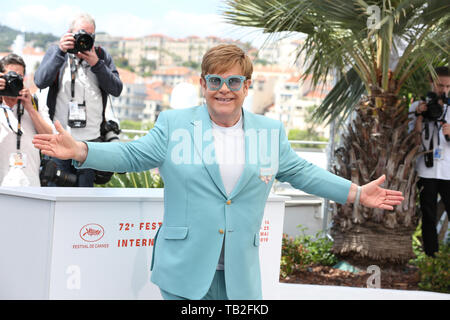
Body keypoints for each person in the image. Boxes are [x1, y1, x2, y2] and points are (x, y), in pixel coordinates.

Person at [33, 44, 404, 300]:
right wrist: (80, 149)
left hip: (240, 273)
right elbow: (132, 155)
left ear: (247, 86)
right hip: (184, 268)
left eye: (233, 81)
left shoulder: (270, 132)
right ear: (203, 84)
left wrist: (356, 193)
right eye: (215, 80)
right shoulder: (175, 124)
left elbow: (303, 172)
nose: (223, 89)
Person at [34, 12, 123, 187]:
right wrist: (61, 51)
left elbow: (116, 89)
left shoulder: (101, 56)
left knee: (84, 200)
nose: (84, 39)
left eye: (89, 35)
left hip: (91, 144)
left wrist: (96, 64)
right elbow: (40, 81)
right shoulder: (57, 52)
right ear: (69, 33)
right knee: (58, 197)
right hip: (61, 140)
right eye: (80, 33)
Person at [409, 66, 450, 257]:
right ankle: (431, 256)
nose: (444, 90)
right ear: (431, 83)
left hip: (448, 170)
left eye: (448, 86)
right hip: (426, 170)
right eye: (440, 85)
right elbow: (412, 140)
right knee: (428, 216)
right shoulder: (417, 106)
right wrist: (418, 116)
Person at [0, 53, 54, 187]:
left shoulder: (35, 103)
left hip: (30, 184)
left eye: (18, 77)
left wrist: (30, 108)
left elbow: (50, 137)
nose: (14, 81)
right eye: (10, 76)